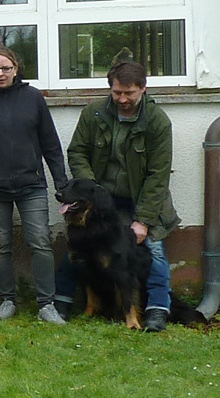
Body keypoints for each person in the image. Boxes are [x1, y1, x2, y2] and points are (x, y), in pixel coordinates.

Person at [55, 61, 179, 332]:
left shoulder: (158, 122)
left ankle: (158, 309)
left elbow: (158, 176)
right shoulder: (93, 113)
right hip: (102, 196)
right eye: (117, 92)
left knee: (153, 251)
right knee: (78, 247)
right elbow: (77, 151)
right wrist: (92, 189)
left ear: (143, 89)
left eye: (129, 93)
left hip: (143, 197)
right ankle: (62, 302)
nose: (122, 99)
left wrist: (144, 220)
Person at [0, 46, 68, 322]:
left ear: (16, 69)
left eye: (6, 68)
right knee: (0, 244)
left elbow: (51, 144)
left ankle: (46, 304)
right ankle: (7, 300)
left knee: (40, 241)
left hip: (31, 184)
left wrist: (61, 184)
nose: (1, 73)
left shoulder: (33, 98)